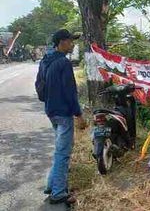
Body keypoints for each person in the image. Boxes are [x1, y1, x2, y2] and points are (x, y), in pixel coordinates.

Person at [35, 29, 87, 205]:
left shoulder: (45, 61)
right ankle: (58, 193)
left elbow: (39, 88)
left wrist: (50, 98)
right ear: (61, 42)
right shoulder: (63, 63)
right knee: (63, 152)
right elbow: (70, 92)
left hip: (51, 111)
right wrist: (79, 115)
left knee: (60, 148)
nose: (72, 44)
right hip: (63, 113)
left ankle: (52, 185)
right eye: (70, 41)